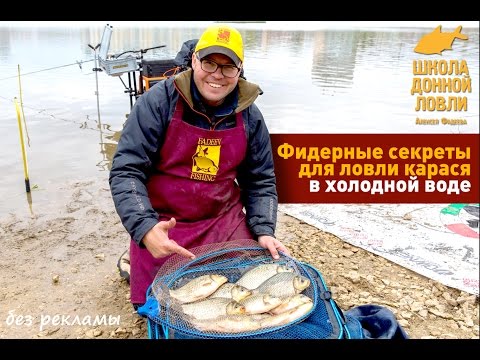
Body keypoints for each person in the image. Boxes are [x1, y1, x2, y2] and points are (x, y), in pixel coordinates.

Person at [109, 23, 290, 308]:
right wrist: (144, 227)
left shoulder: (250, 117)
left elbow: (261, 180)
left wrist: (264, 229)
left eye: (228, 67)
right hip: (166, 222)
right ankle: (135, 258)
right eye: (209, 63)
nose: (217, 75)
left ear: (239, 70)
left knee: (248, 289)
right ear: (194, 61)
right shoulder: (157, 102)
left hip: (222, 219)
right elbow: (126, 171)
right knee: (158, 305)